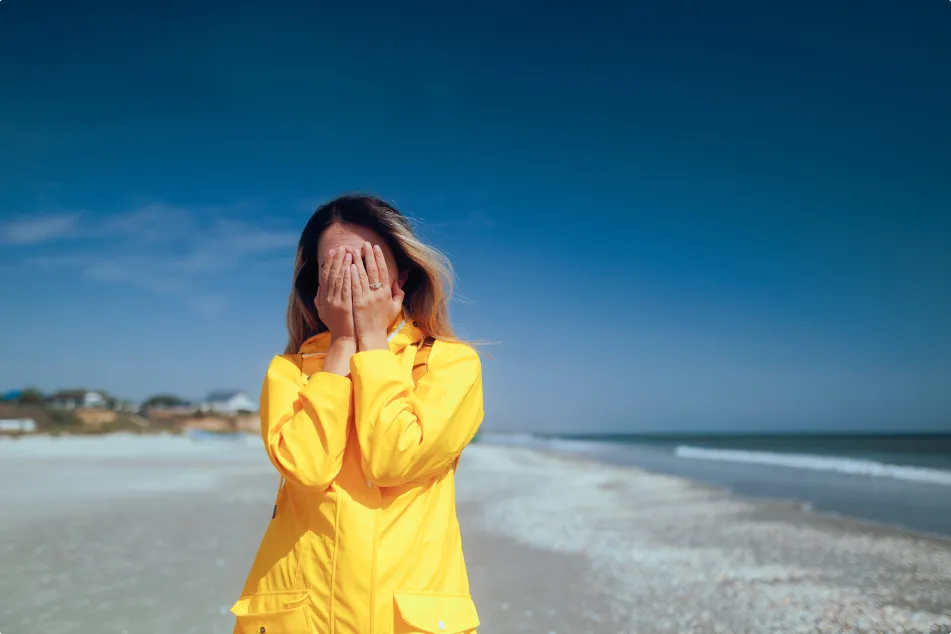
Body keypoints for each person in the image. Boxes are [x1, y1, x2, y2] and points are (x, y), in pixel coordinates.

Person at [230, 195, 484, 634]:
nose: (350, 278)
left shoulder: (451, 364)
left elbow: (395, 458)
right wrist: (343, 344)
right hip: (299, 618)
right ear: (315, 282)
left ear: (401, 273)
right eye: (335, 266)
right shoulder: (289, 371)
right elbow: (307, 468)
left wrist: (370, 337)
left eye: (366, 262)